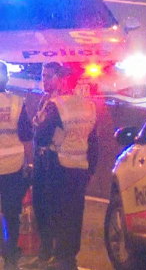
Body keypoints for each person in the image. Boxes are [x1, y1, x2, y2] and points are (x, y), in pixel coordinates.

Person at [26, 62, 97, 270]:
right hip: (79, 167)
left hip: (55, 166)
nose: (44, 80)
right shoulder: (88, 105)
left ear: (61, 79)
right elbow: (93, 142)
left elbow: (41, 135)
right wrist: (90, 169)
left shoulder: (57, 105)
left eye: (49, 76)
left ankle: (53, 256)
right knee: (73, 214)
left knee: (52, 211)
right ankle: (66, 258)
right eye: (43, 76)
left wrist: (38, 126)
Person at [0, 61, 34, 270]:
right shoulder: (16, 102)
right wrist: (28, 163)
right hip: (13, 165)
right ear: (7, 79)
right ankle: (10, 254)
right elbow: (27, 135)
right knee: (12, 213)